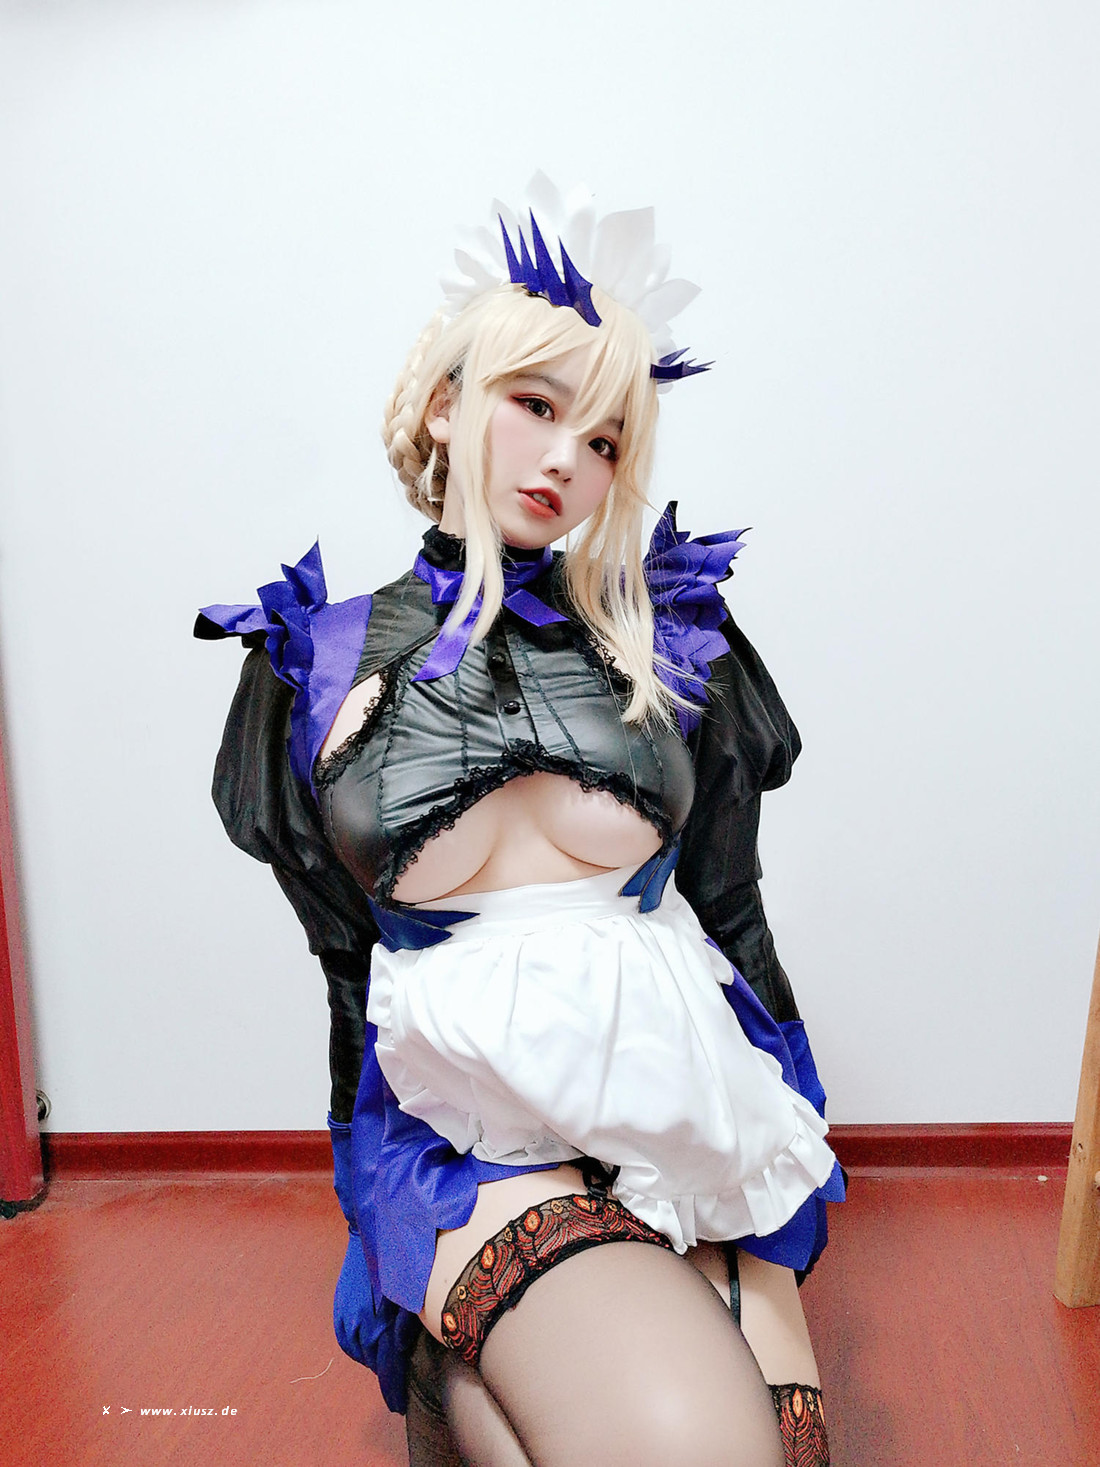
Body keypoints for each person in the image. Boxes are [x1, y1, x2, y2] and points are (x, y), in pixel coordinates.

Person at [197, 176, 844, 1467]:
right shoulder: (318, 668)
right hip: (471, 1141)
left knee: (782, 1447)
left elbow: (732, 911)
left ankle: (468, 1387)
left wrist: (784, 1149)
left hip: (682, 1106)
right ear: (448, 403)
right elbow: (350, 973)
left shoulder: (672, 643)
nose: (565, 461)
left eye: (603, 440)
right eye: (536, 407)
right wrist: (379, 1229)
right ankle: (455, 1352)